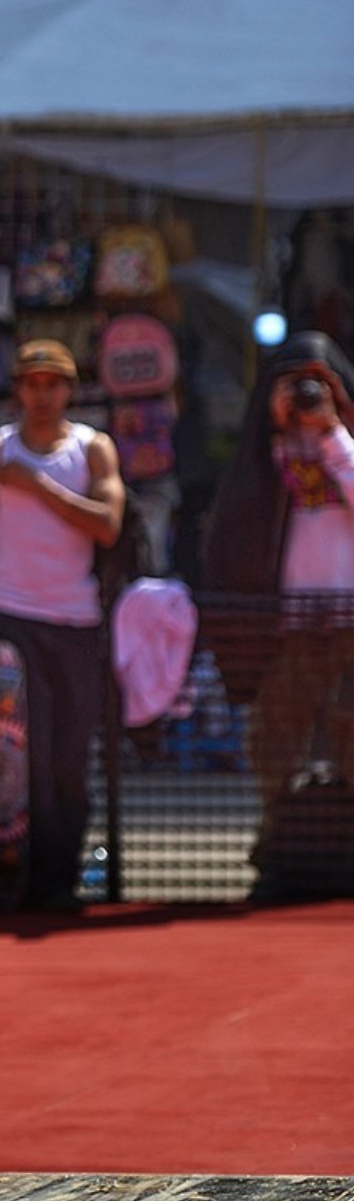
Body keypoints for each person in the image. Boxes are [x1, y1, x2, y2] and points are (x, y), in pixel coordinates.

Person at [0, 340, 126, 911]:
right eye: (31, 383)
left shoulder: (92, 449)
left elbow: (107, 524)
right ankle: (17, 879)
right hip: (12, 621)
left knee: (70, 758)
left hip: (77, 622)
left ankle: (61, 879)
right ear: (18, 390)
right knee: (14, 761)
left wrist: (38, 487)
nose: (42, 395)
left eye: (52, 383)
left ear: (68, 390)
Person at [202, 331, 354, 899]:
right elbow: (236, 529)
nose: (306, 396)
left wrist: (332, 432)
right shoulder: (261, 461)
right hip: (287, 631)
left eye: (317, 384)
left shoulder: (345, 444)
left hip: (350, 626)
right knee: (274, 745)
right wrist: (279, 421)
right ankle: (277, 853)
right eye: (294, 386)